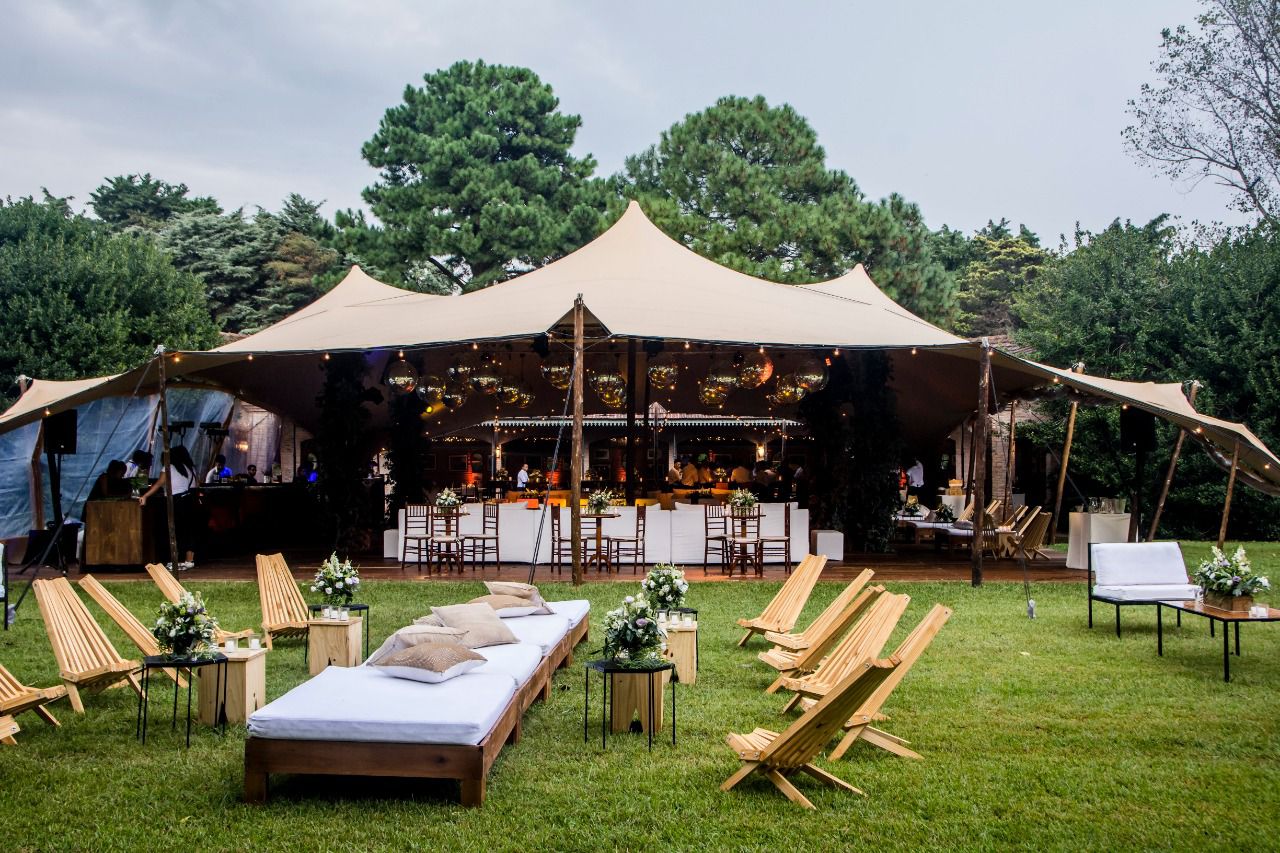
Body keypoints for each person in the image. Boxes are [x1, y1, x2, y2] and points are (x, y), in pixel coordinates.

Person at [139, 445, 200, 569]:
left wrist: (145, 496)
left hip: (176, 501)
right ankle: (189, 560)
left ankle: (175, 560)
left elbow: (159, 484)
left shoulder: (169, 468)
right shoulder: (188, 468)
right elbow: (196, 484)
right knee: (188, 530)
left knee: (175, 530)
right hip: (187, 499)